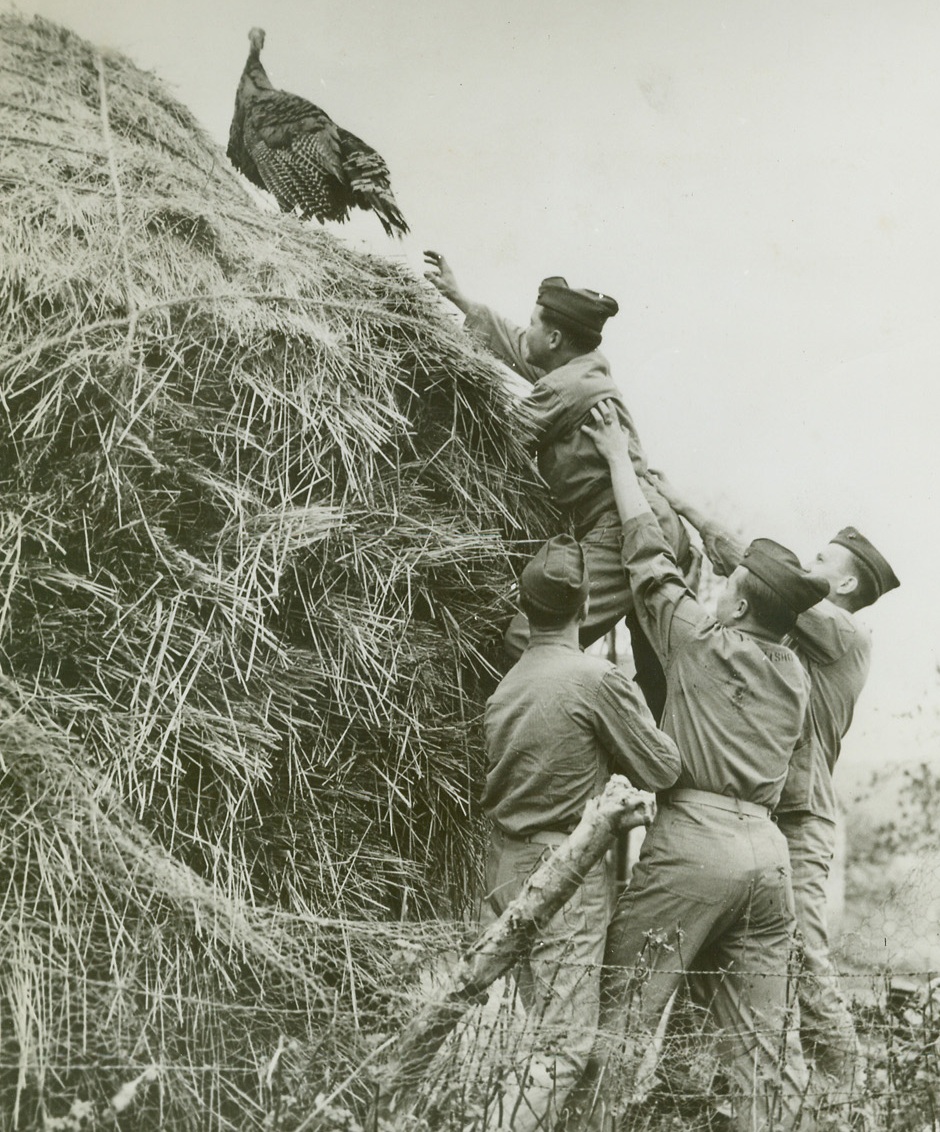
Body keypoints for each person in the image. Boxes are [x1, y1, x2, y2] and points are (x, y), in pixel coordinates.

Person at [571, 400, 830, 1132]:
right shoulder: (793, 673)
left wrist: (620, 460)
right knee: (764, 1058)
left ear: (740, 600)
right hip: (769, 859)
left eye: (728, 584)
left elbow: (647, 559)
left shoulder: (701, 642)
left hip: (695, 846)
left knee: (620, 1020)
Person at [650, 470, 900, 1114]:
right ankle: (690, 1093)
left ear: (843, 584)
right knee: (712, 950)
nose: (807, 565)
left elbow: (747, 566)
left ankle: (850, 1097)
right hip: (760, 821)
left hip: (799, 822)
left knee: (804, 957)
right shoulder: (801, 640)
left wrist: (674, 498)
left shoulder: (844, 635)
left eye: (820, 560)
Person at [423, 250, 696, 720]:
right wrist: (461, 300)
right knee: (658, 672)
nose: (525, 331)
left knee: (530, 636)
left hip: (621, 529)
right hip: (649, 522)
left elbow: (494, 437)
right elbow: (527, 352)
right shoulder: (585, 365)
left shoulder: (564, 388)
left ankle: (528, 726)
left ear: (554, 337)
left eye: (533, 323)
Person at [481, 533, 682, 1132]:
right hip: (562, 878)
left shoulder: (509, 684)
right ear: (588, 600)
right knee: (563, 1050)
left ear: (526, 605)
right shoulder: (594, 680)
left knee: (545, 1036)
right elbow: (663, 766)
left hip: (508, 869)